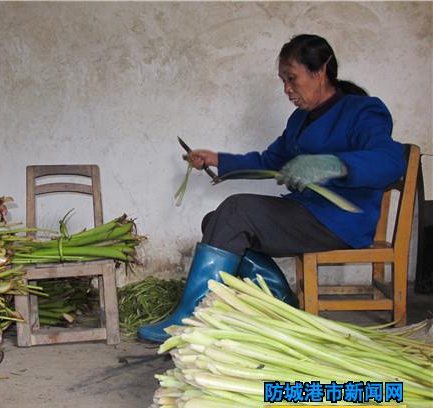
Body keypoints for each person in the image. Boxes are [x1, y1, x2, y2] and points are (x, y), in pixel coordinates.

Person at [138, 34, 406, 343]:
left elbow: (390, 160)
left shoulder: (363, 111)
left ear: (320, 71)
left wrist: (334, 164)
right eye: (283, 81)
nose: (287, 90)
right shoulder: (298, 120)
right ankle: (283, 301)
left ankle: (188, 320)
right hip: (307, 213)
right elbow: (270, 160)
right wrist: (217, 160)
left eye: (292, 79)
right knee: (216, 223)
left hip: (341, 221)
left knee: (235, 212)